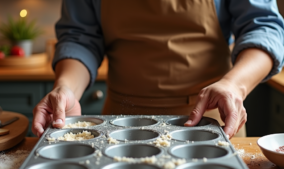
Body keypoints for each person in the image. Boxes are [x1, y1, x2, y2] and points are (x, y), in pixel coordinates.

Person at [32, 0, 284, 138]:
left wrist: (234, 85)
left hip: (211, 121)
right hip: (120, 123)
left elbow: (265, 28)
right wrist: (66, 87)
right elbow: (79, 38)